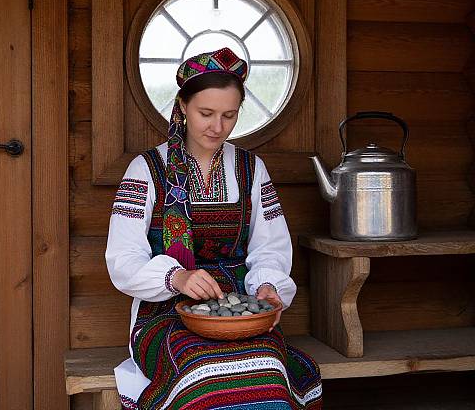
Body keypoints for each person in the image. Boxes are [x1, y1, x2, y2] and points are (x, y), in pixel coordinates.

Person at [106, 47, 322, 409]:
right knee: (203, 374)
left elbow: (270, 247)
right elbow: (123, 259)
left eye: (229, 115)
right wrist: (177, 278)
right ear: (183, 107)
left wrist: (267, 287)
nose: (217, 127)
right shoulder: (146, 170)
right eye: (206, 113)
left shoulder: (251, 169)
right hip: (165, 316)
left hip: (242, 314)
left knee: (265, 372)